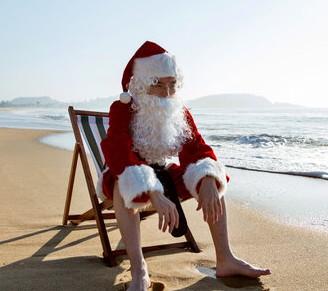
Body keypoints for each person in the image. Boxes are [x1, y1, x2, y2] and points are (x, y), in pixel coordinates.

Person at [99, 41, 270, 290]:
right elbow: (118, 155)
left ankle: (225, 259)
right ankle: (139, 272)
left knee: (211, 179)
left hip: (164, 173)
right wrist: (154, 192)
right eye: (158, 84)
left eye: (172, 84)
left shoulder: (180, 111)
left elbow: (196, 148)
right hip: (126, 171)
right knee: (122, 185)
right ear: (142, 83)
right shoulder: (123, 109)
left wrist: (208, 178)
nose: (167, 93)